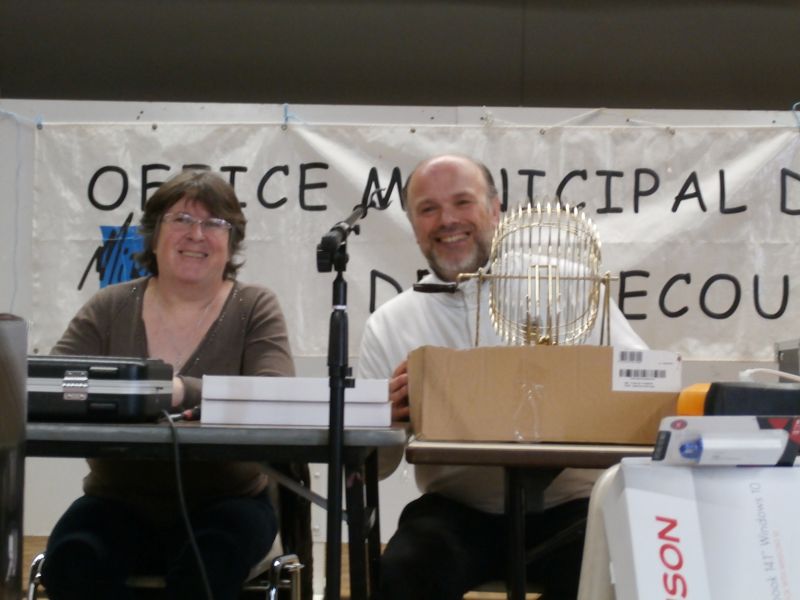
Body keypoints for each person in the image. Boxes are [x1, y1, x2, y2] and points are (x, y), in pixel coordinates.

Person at [357, 154, 648, 600]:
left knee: (612, 573)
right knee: (404, 569)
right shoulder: (391, 323)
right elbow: (372, 467)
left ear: (495, 210)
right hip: (457, 512)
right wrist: (385, 422)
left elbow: (642, 392)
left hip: (573, 510)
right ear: (413, 226)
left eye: (463, 202)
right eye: (428, 209)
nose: (447, 220)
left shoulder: (574, 289)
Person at [40, 170, 309, 600]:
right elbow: (54, 383)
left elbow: (275, 394)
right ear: (153, 236)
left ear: (232, 241)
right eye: (180, 219)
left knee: (206, 569)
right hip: (115, 500)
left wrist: (182, 390)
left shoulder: (255, 306)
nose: (196, 234)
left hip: (229, 502)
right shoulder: (110, 306)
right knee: (72, 563)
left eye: (214, 223)